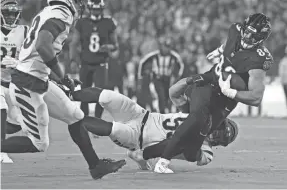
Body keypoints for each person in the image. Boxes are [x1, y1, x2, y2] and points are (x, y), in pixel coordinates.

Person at [4, 0, 125, 179]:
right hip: (27, 84)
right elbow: (43, 46)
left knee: (75, 115)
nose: (82, 3)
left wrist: (60, 79)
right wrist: (62, 76)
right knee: (39, 144)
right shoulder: (61, 13)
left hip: (38, 79)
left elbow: (39, 56)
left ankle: (95, 166)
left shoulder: (50, 11)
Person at [151, 13, 274, 173]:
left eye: (253, 36)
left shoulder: (259, 59)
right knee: (195, 118)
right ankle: (162, 160)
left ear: (261, 38)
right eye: (247, 32)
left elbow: (256, 98)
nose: (247, 37)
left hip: (226, 99)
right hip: (210, 82)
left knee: (196, 141)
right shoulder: (235, 30)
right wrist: (220, 50)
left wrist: (231, 92)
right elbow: (229, 43)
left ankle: (150, 153)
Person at [64, 86, 238, 169]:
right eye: (219, 128)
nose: (215, 132)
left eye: (219, 135)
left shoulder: (206, 152)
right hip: (142, 115)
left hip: (139, 139)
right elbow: (174, 93)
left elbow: (181, 149)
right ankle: (68, 93)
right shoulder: (202, 114)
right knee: (109, 96)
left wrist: (145, 155)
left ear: (219, 142)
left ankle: (76, 122)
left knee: (114, 129)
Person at [69, 0, 118, 118]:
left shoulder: (108, 22)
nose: (96, 12)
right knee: (84, 93)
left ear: (101, 9)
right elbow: (74, 43)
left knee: (100, 94)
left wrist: (109, 47)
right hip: (85, 63)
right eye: (94, 10)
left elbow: (115, 46)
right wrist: (73, 60)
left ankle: (97, 120)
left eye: (98, 10)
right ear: (90, 9)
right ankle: (84, 120)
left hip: (101, 63)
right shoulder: (82, 23)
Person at [0, 0, 29, 163]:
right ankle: (1, 150)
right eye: (6, 13)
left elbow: (33, 56)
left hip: (14, 84)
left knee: (20, 123)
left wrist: (19, 63)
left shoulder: (24, 31)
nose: (10, 16)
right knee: (1, 106)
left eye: (13, 13)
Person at [137, 37, 184, 113]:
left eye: (168, 47)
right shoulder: (155, 55)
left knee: (167, 96)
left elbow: (181, 65)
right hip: (157, 78)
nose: (167, 49)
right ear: (162, 46)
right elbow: (142, 62)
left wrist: (178, 76)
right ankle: (162, 112)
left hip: (167, 79)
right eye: (165, 46)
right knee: (161, 95)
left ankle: (165, 111)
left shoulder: (174, 56)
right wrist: (141, 76)